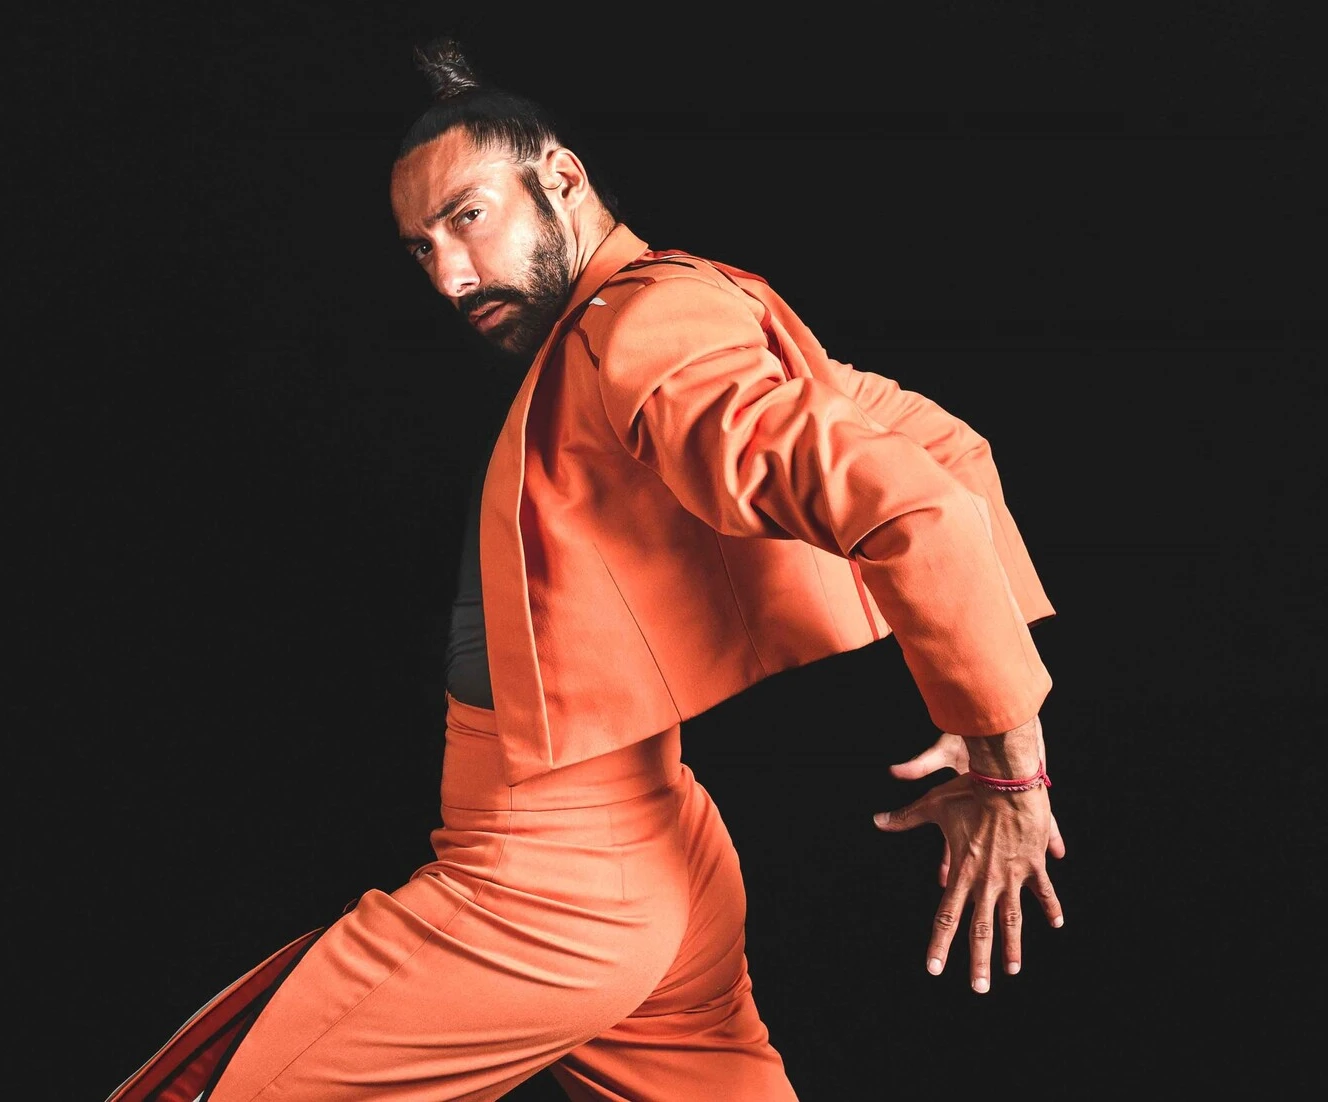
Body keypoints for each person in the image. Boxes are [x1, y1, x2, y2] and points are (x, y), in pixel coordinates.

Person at [108, 36, 1066, 1102]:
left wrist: (1004, 756)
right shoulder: (668, 305)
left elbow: (911, 499)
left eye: (467, 217)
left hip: (547, 880)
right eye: (421, 249)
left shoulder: (644, 324)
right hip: (664, 855)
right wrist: (993, 692)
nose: (451, 275)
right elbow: (946, 455)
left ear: (560, 176)